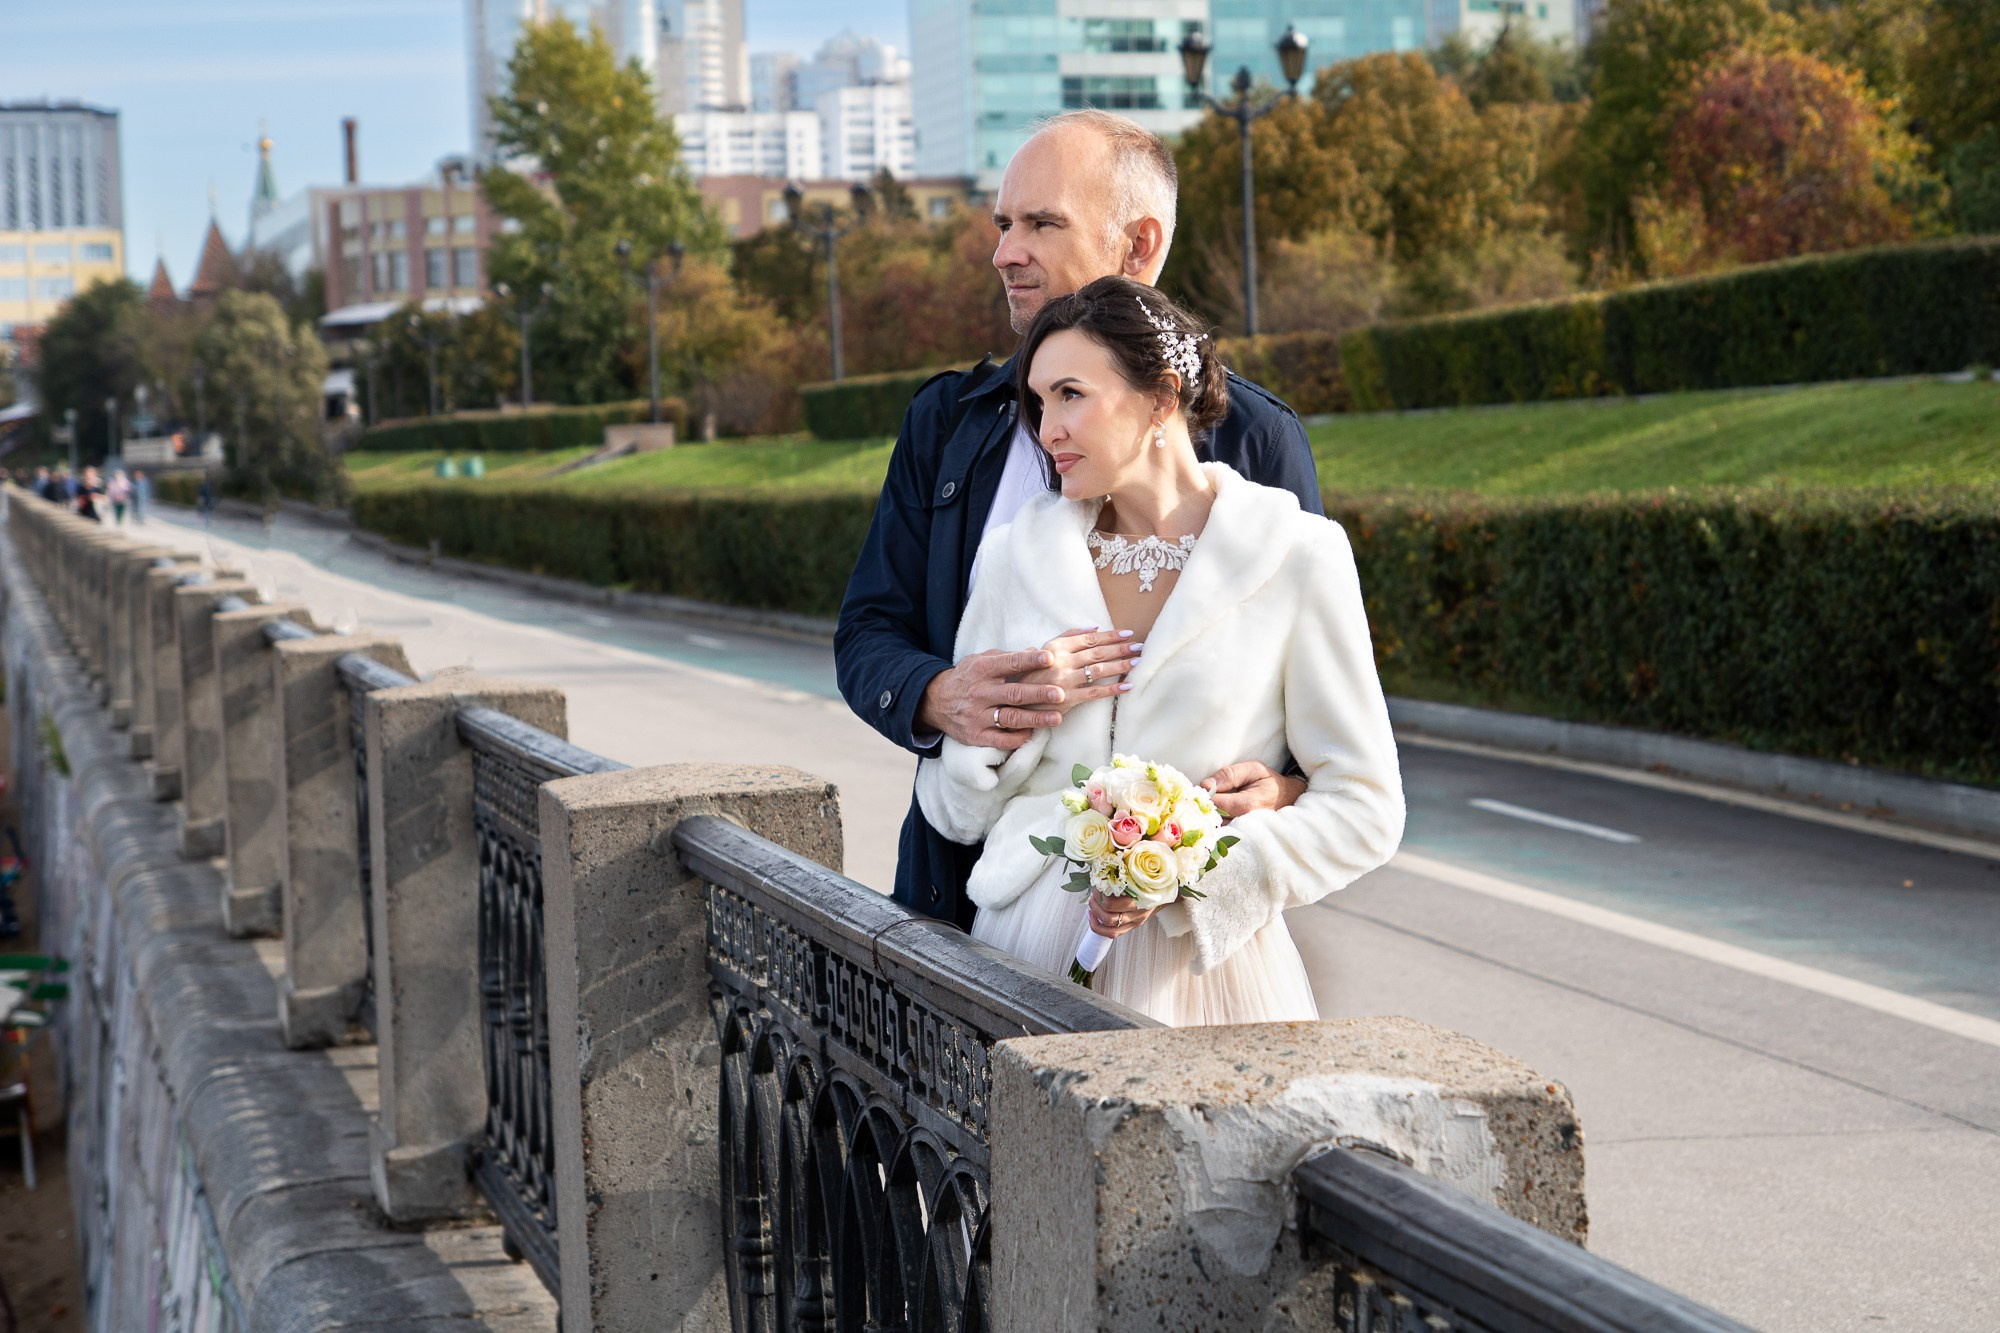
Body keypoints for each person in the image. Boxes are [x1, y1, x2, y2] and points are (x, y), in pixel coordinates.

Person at [837, 110, 1323, 930]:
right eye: (1003, 225)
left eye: (1040, 223)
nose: (1004, 252)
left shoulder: (1255, 442)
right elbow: (867, 632)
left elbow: (1322, 730)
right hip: (955, 906)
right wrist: (940, 695)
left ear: (1139, 246)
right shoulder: (944, 422)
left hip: (1173, 933)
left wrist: (1282, 792)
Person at [915, 277, 1403, 1025]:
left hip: (1208, 977)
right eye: (1038, 402)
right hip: (1025, 946)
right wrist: (1020, 712)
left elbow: (1366, 805)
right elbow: (956, 810)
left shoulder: (1297, 554)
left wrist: (1199, 872)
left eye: (1071, 395)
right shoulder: (1016, 554)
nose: (1047, 429)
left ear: (1161, 397)